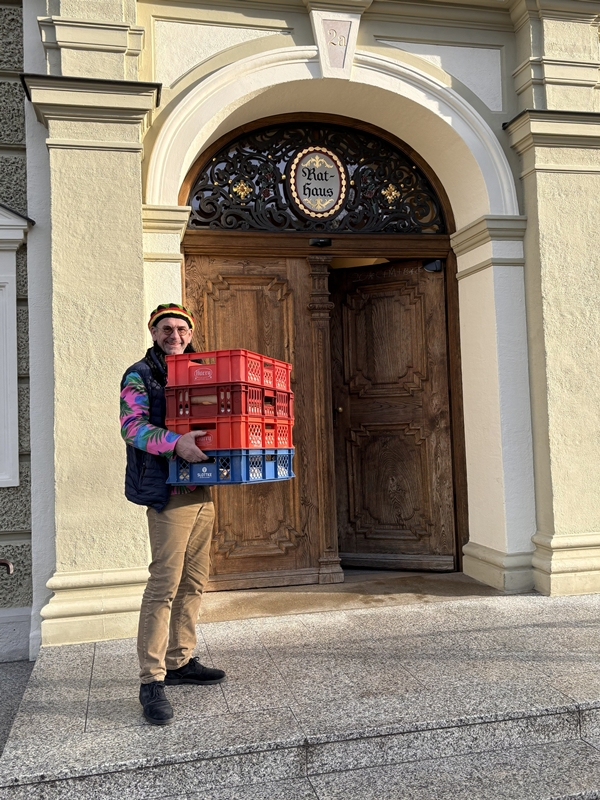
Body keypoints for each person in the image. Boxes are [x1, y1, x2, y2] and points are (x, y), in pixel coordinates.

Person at [120, 303, 225, 726]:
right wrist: (175, 443)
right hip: (168, 491)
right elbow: (132, 426)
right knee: (165, 582)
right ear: (153, 331)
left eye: (181, 328)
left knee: (195, 581)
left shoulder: (200, 371)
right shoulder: (139, 374)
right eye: (166, 328)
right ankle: (151, 679)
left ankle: (180, 660)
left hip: (202, 488)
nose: (175, 335)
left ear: (190, 332)